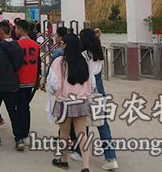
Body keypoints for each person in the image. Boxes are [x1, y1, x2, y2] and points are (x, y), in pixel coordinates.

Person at [47, 33, 95, 172]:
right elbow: (92, 84)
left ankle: (63, 160)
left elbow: (53, 83)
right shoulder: (84, 62)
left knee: (64, 133)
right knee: (82, 134)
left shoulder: (59, 62)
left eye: (62, 43)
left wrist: (55, 93)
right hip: (81, 101)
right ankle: (85, 166)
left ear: (66, 45)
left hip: (64, 102)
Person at [72, 28, 118, 171]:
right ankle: (111, 158)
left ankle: (80, 152)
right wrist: (97, 37)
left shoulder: (82, 55)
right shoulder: (99, 54)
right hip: (99, 94)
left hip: (85, 93)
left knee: (81, 125)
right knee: (103, 127)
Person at [0, 21, 24, 150]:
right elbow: (19, 64)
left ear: (1, 32)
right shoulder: (17, 46)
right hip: (12, 83)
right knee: (13, 112)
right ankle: (19, 138)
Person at [15, 19, 40, 144]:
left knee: (18, 108)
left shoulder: (16, 45)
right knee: (25, 106)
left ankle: (20, 134)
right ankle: (25, 132)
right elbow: (38, 64)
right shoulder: (35, 45)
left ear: (20, 29)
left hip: (19, 80)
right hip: (31, 80)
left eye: (16, 28)